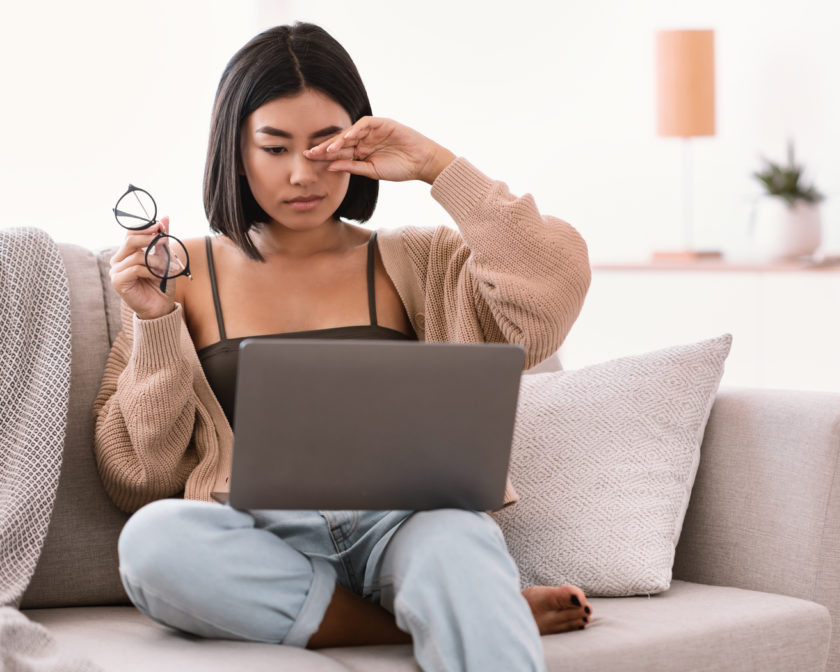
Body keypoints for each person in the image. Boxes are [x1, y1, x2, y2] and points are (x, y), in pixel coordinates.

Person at [93, 21, 591, 671]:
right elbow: (138, 477)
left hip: (409, 528)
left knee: (459, 543)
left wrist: (440, 168)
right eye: (274, 148)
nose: (304, 174)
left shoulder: (418, 257)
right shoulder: (179, 271)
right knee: (154, 543)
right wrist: (156, 323)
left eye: (324, 144)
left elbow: (551, 290)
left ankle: (457, 599)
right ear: (235, 153)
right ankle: (445, 616)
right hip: (260, 537)